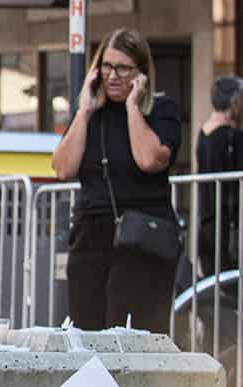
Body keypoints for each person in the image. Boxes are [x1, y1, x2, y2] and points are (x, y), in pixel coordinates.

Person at [51, 27, 181, 333]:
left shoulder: (162, 110)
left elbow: (150, 159)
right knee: (87, 332)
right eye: (106, 67)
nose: (113, 76)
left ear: (141, 73)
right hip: (92, 233)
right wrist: (83, 111)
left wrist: (133, 107)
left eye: (123, 68)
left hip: (142, 235)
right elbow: (62, 168)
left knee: (133, 335)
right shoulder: (91, 114)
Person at [191, 76, 243, 275]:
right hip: (229, 224)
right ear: (234, 101)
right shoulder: (233, 137)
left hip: (208, 221)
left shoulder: (203, 134)